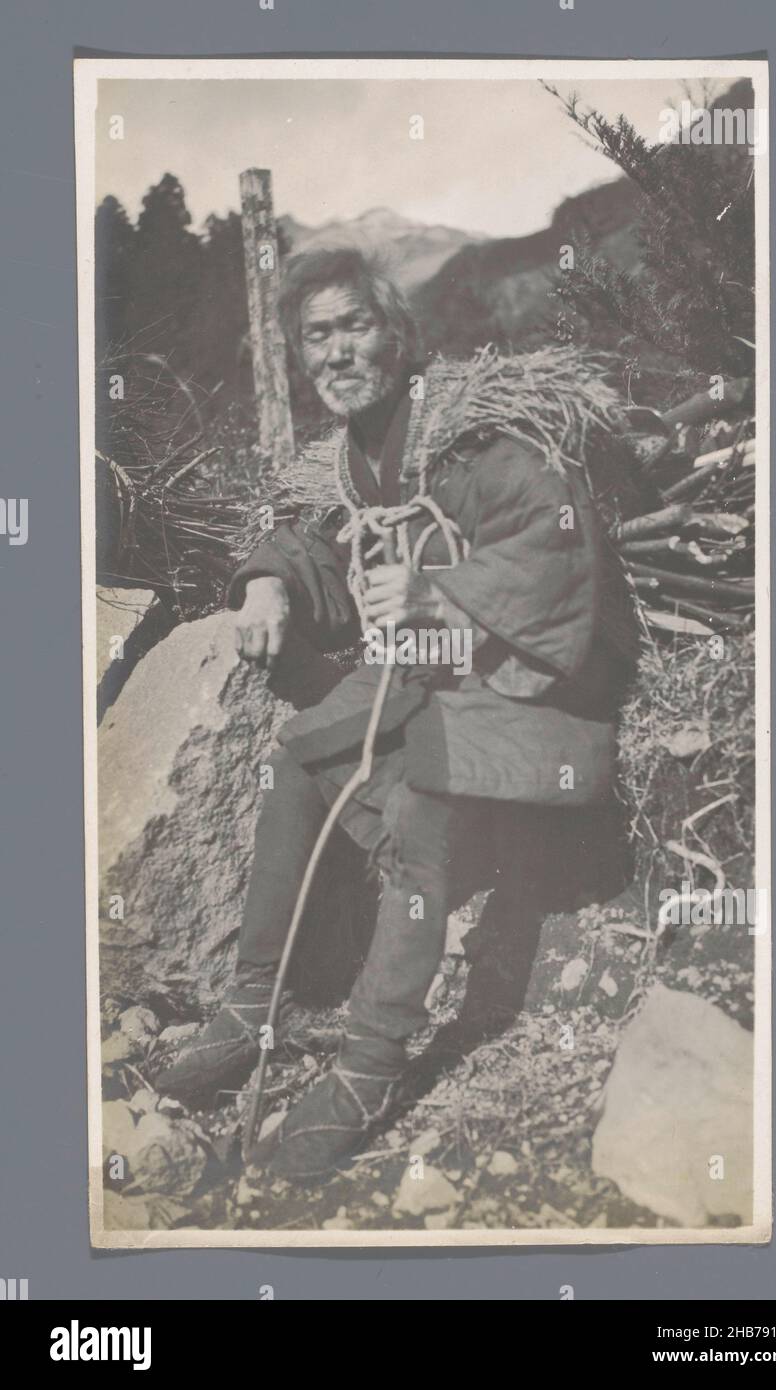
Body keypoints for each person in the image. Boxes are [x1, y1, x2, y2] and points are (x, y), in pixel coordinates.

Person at [156, 247, 636, 1180]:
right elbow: (318, 547)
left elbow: (560, 555)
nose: (335, 353)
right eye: (315, 338)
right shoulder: (356, 456)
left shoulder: (482, 433)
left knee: (423, 799)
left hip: (527, 688)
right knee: (299, 756)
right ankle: (254, 1006)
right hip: (430, 675)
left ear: (399, 332)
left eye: (354, 326)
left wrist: (440, 597)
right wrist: (265, 588)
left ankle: (371, 1065)